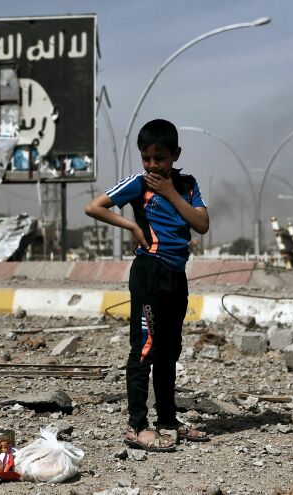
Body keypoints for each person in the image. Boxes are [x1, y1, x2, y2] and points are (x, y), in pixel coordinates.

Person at [84, 119, 210, 452]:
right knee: (144, 348)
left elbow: (201, 224)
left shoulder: (187, 184)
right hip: (149, 273)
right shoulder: (138, 185)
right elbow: (94, 206)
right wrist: (130, 226)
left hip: (175, 275)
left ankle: (168, 420)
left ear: (175, 154)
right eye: (147, 158)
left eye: (160, 158)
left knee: (170, 350)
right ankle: (136, 426)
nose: (153, 165)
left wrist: (170, 192)